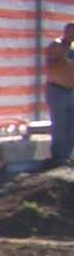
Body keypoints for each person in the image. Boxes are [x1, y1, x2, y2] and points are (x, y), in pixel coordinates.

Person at [44, 22, 74, 166]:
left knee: (71, 125)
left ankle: (68, 154)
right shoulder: (56, 46)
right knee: (60, 124)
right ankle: (57, 155)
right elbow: (52, 65)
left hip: (71, 90)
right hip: (58, 89)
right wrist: (65, 57)